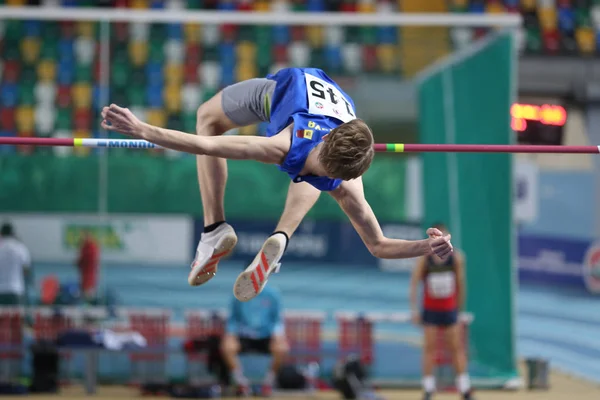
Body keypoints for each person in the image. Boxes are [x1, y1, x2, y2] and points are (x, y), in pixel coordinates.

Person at [100, 67, 454, 301]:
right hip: (290, 90)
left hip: (325, 108)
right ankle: (278, 236)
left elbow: (205, 143)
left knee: (208, 119)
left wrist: (427, 247)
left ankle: (216, 227)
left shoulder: (301, 155)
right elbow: (377, 245)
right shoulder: (339, 180)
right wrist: (145, 131)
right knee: (302, 171)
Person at [409, 223, 473, 400]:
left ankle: (464, 389)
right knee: (429, 349)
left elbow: (461, 284)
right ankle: (428, 389)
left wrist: (459, 311)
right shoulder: (425, 259)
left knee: (456, 349)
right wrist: (414, 309)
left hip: (449, 310)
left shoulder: (457, 258)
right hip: (430, 310)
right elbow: (414, 284)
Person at [221, 278, 288, 397]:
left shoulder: (272, 294)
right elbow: (233, 319)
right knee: (227, 347)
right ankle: (241, 382)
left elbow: (277, 319)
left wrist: (278, 334)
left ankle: (268, 383)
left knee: (282, 348)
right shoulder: (238, 294)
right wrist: (230, 334)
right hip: (244, 335)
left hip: (265, 335)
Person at [0, 222, 31, 306]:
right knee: (16, 318)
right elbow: (26, 270)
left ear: (1, 233)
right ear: (13, 233)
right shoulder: (20, 247)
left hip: (1, 289)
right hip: (16, 289)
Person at [75, 230, 100, 304]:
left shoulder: (92, 247)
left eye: (84, 236)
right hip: (84, 274)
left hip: (90, 275)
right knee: (84, 292)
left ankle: (89, 304)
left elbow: (89, 260)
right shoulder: (83, 246)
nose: (82, 238)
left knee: (88, 292)